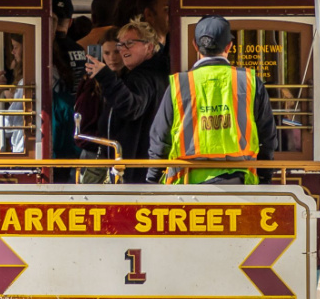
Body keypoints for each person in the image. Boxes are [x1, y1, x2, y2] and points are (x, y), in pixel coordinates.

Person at [148, 15, 276, 183]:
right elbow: (267, 137)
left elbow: (160, 140)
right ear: (229, 46)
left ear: (195, 45)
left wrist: (153, 178)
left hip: (186, 184)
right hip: (240, 183)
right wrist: (265, 177)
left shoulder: (179, 85)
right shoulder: (250, 82)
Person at [88, 19, 169, 183]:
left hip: (136, 170)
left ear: (149, 47)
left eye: (130, 43)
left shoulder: (143, 77)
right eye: (121, 44)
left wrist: (106, 77)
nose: (123, 49)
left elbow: (131, 107)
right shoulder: (147, 73)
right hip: (139, 167)